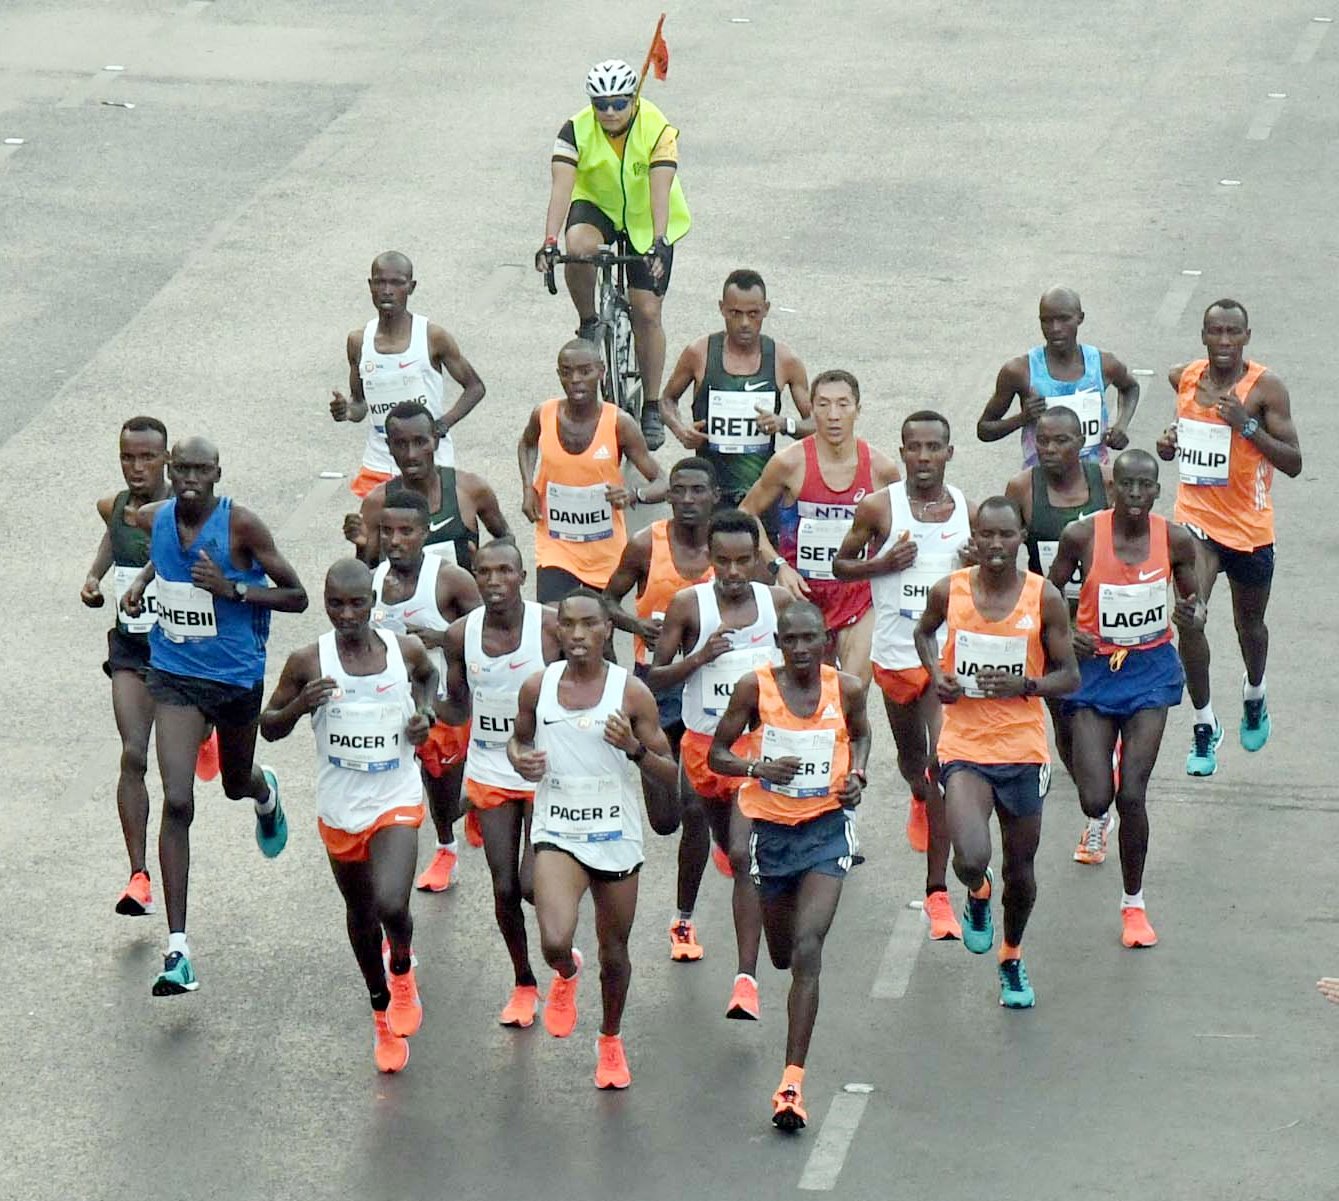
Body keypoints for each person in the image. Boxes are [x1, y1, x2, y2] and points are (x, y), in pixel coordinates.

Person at [119, 437, 308, 996]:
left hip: (234, 679)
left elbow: (297, 595)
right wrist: (140, 583)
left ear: (218, 473)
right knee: (178, 800)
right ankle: (178, 949)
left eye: (201, 470)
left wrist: (233, 589)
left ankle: (264, 792)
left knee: (233, 782)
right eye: (182, 468)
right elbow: (162, 558)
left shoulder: (241, 526)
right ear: (171, 469)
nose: (190, 478)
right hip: (173, 672)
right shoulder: (156, 517)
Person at [260, 560, 440, 1072]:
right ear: (324, 603)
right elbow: (268, 726)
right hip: (341, 808)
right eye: (335, 604)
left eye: (357, 603)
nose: (346, 614)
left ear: (372, 603)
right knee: (361, 914)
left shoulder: (402, 651)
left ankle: (401, 968)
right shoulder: (307, 661)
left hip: (395, 796)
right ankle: (380, 1011)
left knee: (391, 902)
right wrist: (300, 706)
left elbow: (428, 677)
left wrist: (424, 714)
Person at [507, 589, 680, 1089]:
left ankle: (610, 1039)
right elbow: (517, 739)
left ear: (607, 630)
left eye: (589, 625)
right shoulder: (537, 687)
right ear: (557, 630)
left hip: (614, 834)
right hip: (558, 829)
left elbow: (672, 774)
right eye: (568, 625)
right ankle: (565, 972)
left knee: (614, 953)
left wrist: (633, 749)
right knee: (554, 940)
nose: (578, 635)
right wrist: (519, 758)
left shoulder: (631, 694)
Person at [708, 601, 870, 1131]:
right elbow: (717, 755)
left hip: (825, 831)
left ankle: (791, 1084)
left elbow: (862, 735)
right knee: (780, 955)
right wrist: (758, 767)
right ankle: (771, 973)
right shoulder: (754, 689)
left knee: (807, 948)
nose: (801, 649)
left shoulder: (846, 689)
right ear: (778, 643)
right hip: (772, 834)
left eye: (810, 639)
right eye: (790, 640)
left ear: (825, 640)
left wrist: (858, 776)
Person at [914, 496, 1079, 1009]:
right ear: (975, 538)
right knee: (971, 857)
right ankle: (977, 891)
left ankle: (1011, 955)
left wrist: (1025, 684)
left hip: (1022, 748)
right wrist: (937, 675)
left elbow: (1070, 677)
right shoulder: (950, 590)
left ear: (1021, 538)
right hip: (964, 742)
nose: (996, 544)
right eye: (986, 534)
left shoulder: (1043, 597)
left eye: (1006, 535)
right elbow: (923, 632)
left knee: (1021, 870)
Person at [1050, 450, 1201, 948]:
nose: (1135, 495)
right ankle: (1101, 803)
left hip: (1149, 671)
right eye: (1127, 485)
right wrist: (1068, 632)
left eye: (1145, 486)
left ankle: (1133, 904)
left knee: (1132, 792)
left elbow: (1193, 598)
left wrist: (1193, 613)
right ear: (1112, 489)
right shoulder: (1081, 536)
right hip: (1095, 672)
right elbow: (1048, 595)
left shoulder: (1174, 539)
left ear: (1157, 490)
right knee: (1096, 798)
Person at [834, 411, 974, 940]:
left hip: (943, 658)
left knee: (942, 763)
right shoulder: (879, 508)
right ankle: (917, 794)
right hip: (894, 656)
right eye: (914, 447)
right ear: (903, 452)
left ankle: (938, 893)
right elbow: (840, 566)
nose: (923, 457)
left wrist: (975, 564)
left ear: (949, 453)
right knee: (914, 764)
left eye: (933, 447)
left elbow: (987, 573)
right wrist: (882, 565)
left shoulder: (966, 509)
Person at [647, 510, 791, 1000]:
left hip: (757, 748)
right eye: (723, 561)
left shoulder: (776, 604)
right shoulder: (689, 606)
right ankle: (683, 916)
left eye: (742, 561)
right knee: (699, 824)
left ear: (757, 560)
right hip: (704, 744)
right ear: (709, 557)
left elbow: (808, 664)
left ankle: (745, 977)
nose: (732, 572)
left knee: (742, 854)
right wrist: (698, 659)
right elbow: (654, 677)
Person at [1156, 299, 1302, 776]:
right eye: (1214, 331)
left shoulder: (1265, 389)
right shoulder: (1185, 377)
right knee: (1190, 617)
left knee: (1249, 627)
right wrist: (1170, 442)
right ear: (1203, 335)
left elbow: (1293, 462)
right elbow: (1182, 426)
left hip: (1249, 530)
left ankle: (1254, 691)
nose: (1223, 341)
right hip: (1196, 524)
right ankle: (1204, 724)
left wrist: (1247, 425)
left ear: (1246, 337)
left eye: (1232, 332)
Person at [535, 59, 692, 447]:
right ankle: (589, 320)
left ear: (634, 98)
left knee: (647, 312)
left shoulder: (657, 129)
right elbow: (561, 188)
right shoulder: (574, 130)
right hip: (599, 206)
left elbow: (660, 187)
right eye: (600, 104)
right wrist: (550, 241)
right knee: (578, 249)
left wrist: (658, 240)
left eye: (618, 103)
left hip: (646, 216)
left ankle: (651, 404)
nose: (608, 112)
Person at [438, 540, 561, 1027]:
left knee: (533, 886)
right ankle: (524, 982)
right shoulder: (459, 635)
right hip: (490, 770)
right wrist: (420, 711)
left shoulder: (550, 627)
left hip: (543, 769)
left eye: (505, 571)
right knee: (505, 886)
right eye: (484, 572)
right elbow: (457, 707)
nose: (494, 581)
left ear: (522, 577)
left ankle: (560, 947)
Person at [741, 369, 901, 685]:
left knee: (851, 690)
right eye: (824, 405)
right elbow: (746, 514)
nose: (833, 415)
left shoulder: (881, 469)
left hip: (858, 596)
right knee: (809, 692)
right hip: (802, 595)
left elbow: (899, 529)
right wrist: (778, 566)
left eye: (843, 404)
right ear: (811, 410)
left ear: (858, 409)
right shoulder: (789, 463)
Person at [1004, 405, 1113, 827]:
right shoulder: (1022, 488)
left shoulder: (1105, 483)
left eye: (1060, 440)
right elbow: (1004, 550)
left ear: (1081, 442)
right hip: (1052, 625)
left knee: (1104, 716)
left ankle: (1104, 791)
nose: (1048, 449)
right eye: (1042, 440)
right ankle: (1095, 808)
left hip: (1106, 622)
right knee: (1065, 722)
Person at [81, 417, 171, 916]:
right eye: (127, 457)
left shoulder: (183, 512)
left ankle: (260, 790)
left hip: (183, 657)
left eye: (147, 457)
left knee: (224, 778)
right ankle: (138, 876)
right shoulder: (113, 506)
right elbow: (113, 538)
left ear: (166, 460)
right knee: (133, 755)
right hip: (132, 653)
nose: (136, 467)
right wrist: (94, 577)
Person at [371, 487, 482, 892]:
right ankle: (444, 849)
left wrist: (442, 638)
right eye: (387, 531)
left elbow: (490, 631)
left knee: (444, 796)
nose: (395, 541)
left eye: (406, 532)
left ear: (425, 532)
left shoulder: (449, 580)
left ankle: (476, 805)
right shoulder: (373, 580)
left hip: (444, 707)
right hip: (391, 706)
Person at [517, 339, 667, 604]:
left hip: (603, 550)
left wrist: (634, 495)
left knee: (596, 622)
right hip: (556, 544)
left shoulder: (619, 423)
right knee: (553, 618)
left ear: (601, 372)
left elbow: (662, 481)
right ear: (559, 374)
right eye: (567, 372)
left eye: (585, 371)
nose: (575, 379)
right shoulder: (544, 414)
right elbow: (527, 444)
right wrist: (528, 487)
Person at [659, 270, 811, 523]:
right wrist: (681, 430)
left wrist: (785, 424)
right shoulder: (699, 353)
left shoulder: (784, 360)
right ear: (722, 308)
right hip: (709, 495)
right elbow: (666, 400)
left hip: (761, 491)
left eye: (753, 314)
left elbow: (817, 422)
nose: (744, 323)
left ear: (766, 309)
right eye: (735, 313)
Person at [331, 251, 486, 498]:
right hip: (379, 463)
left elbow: (475, 387)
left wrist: (442, 424)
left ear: (411, 287)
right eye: (380, 282)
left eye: (397, 283)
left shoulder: (432, 337)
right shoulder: (359, 342)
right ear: (370, 286)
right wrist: (346, 411)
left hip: (429, 463)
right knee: (374, 523)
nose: (387, 291)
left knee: (426, 522)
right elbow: (359, 405)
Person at [604, 455, 717, 751]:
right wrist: (637, 625)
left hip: (714, 675)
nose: (688, 499)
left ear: (715, 495)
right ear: (668, 497)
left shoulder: (728, 549)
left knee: (704, 767)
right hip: (658, 674)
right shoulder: (645, 545)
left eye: (698, 490)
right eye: (679, 490)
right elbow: (607, 602)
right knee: (657, 764)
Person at [977, 286, 1141, 466]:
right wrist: (1022, 419)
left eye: (1064, 319)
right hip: (1042, 477)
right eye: (1046, 321)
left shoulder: (1103, 364)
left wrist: (1121, 425)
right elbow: (984, 429)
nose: (1055, 328)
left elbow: (1130, 387)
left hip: (1094, 476)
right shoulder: (1020, 371)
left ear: (1080, 318)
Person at [344, 400, 510, 569]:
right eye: (400, 444)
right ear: (389, 447)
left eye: (420, 442)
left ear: (435, 441)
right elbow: (365, 574)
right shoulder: (376, 503)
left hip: (464, 587)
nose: (411, 454)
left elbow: (506, 539)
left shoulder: (471, 489)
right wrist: (361, 547)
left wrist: (486, 566)